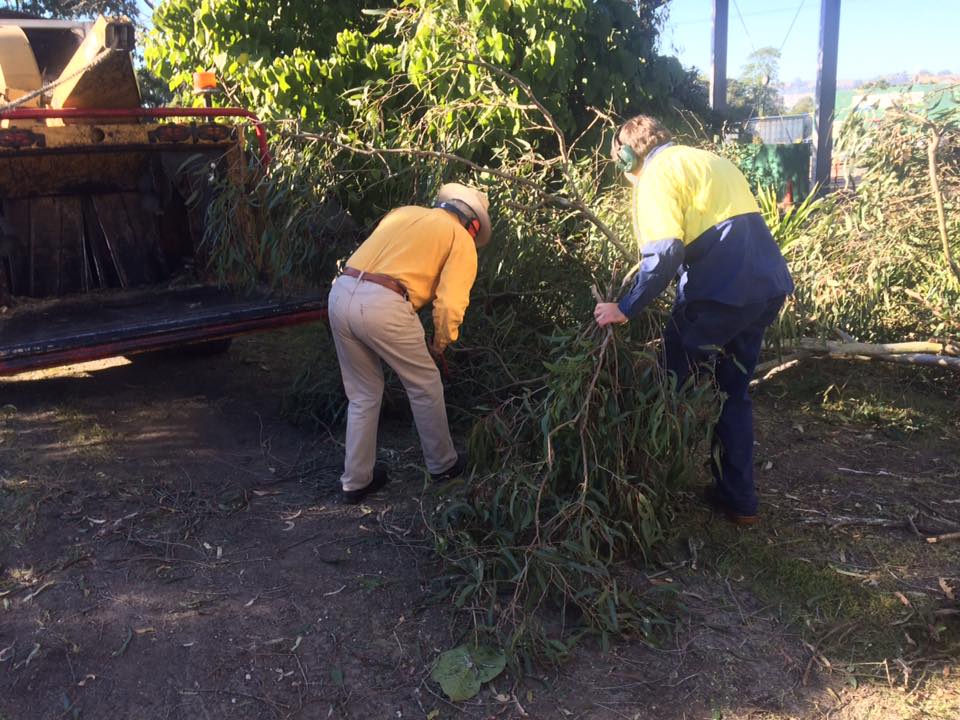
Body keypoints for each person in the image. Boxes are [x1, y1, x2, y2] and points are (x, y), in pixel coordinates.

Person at [593, 115, 794, 525]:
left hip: (722, 292)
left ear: (627, 154)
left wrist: (625, 307)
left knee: (670, 382)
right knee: (732, 391)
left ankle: (641, 485)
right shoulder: (709, 160)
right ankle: (739, 501)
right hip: (766, 288)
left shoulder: (655, 175)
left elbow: (665, 252)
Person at [328, 183, 491, 504]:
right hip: (384, 303)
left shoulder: (404, 213)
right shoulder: (460, 239)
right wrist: (441, 342)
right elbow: (450, 304)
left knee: (362, 394)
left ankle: (356, 481)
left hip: (340, 291)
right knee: (425, 383)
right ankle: (444, 465)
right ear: (473, 224)